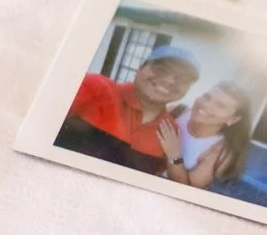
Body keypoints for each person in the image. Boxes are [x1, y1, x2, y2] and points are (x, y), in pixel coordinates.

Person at [55, 53, 199, 175]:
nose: (169, 81)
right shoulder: (96, 88)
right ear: (140, 68)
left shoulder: (171, 132)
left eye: (184, 79)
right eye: (161, 70)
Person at [157, 81, 253, 191]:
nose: (206, 105)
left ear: (233, 119)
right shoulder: (176, 111)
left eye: (220, 106)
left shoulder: (219, 151)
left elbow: (188, 190)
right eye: (206, 97)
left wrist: (174, 154)